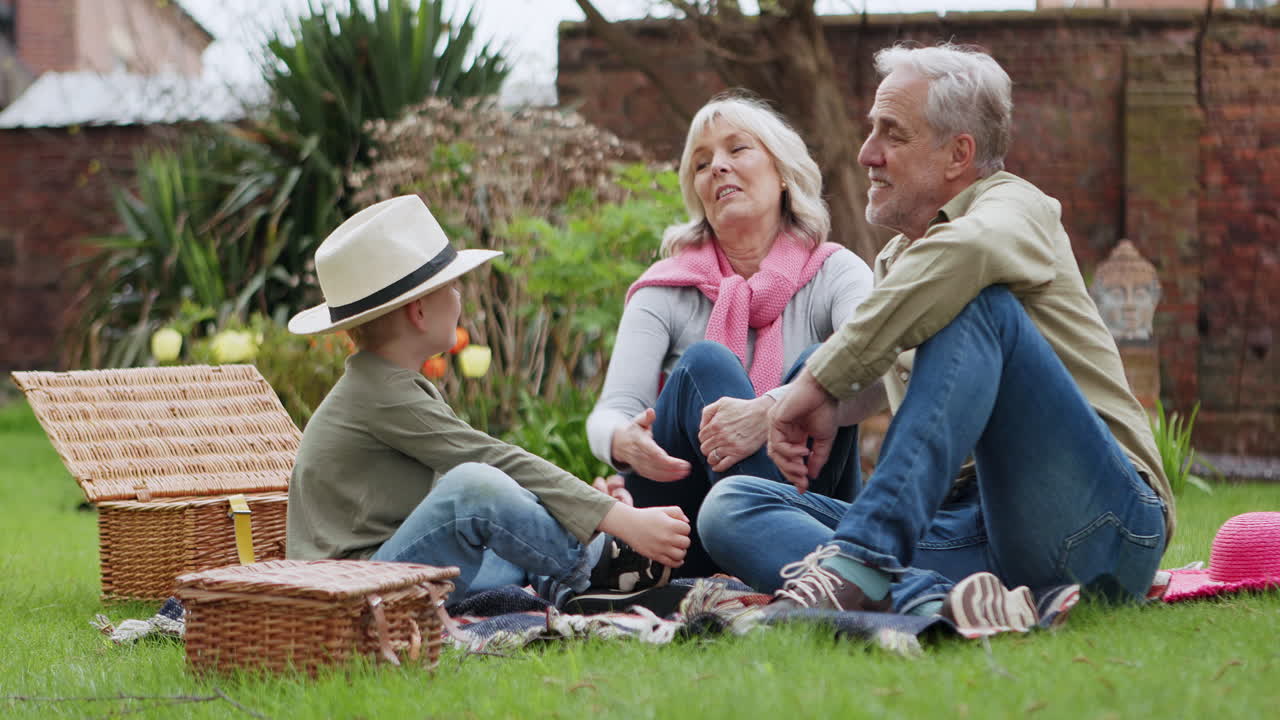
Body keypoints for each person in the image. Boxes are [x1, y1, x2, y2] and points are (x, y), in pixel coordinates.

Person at [698, 43, 1175, 629]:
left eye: (891, 134)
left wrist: (819, 381)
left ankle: (867, 562)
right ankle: (930, 603)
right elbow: (885, 377)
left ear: (958, 154)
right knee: (731, 506)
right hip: (971, 535)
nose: (866, 153)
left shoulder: (1018, 209)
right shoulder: (899, 259)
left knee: (981, 305)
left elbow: (964, 257)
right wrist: (797, 403)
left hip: (1103, 522)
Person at [285, 194, 692, 612]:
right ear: (419, 312)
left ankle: (580, 585)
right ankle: (598, 566)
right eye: (452, 287)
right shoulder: (380, 395)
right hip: (353, 591)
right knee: (475, 487)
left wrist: (574, 514)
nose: (460, 298)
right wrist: (617, 521)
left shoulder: (381, 383)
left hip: (383, 570)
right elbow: (493, 462)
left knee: (502, 509)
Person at [586, 92, 875, 577]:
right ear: (697, 191)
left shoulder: (837, 272)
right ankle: (828, 571)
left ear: (783, 173)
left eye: (737, 150)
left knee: (825, 364)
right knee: (706, 365)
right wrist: (621, 441)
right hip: (686, 526)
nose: (718, 167)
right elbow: (610, 412)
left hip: (810, 504)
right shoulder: (665, 289)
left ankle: (783, 550)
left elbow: (880, 372)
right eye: (702, 163)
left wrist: (771, 411)